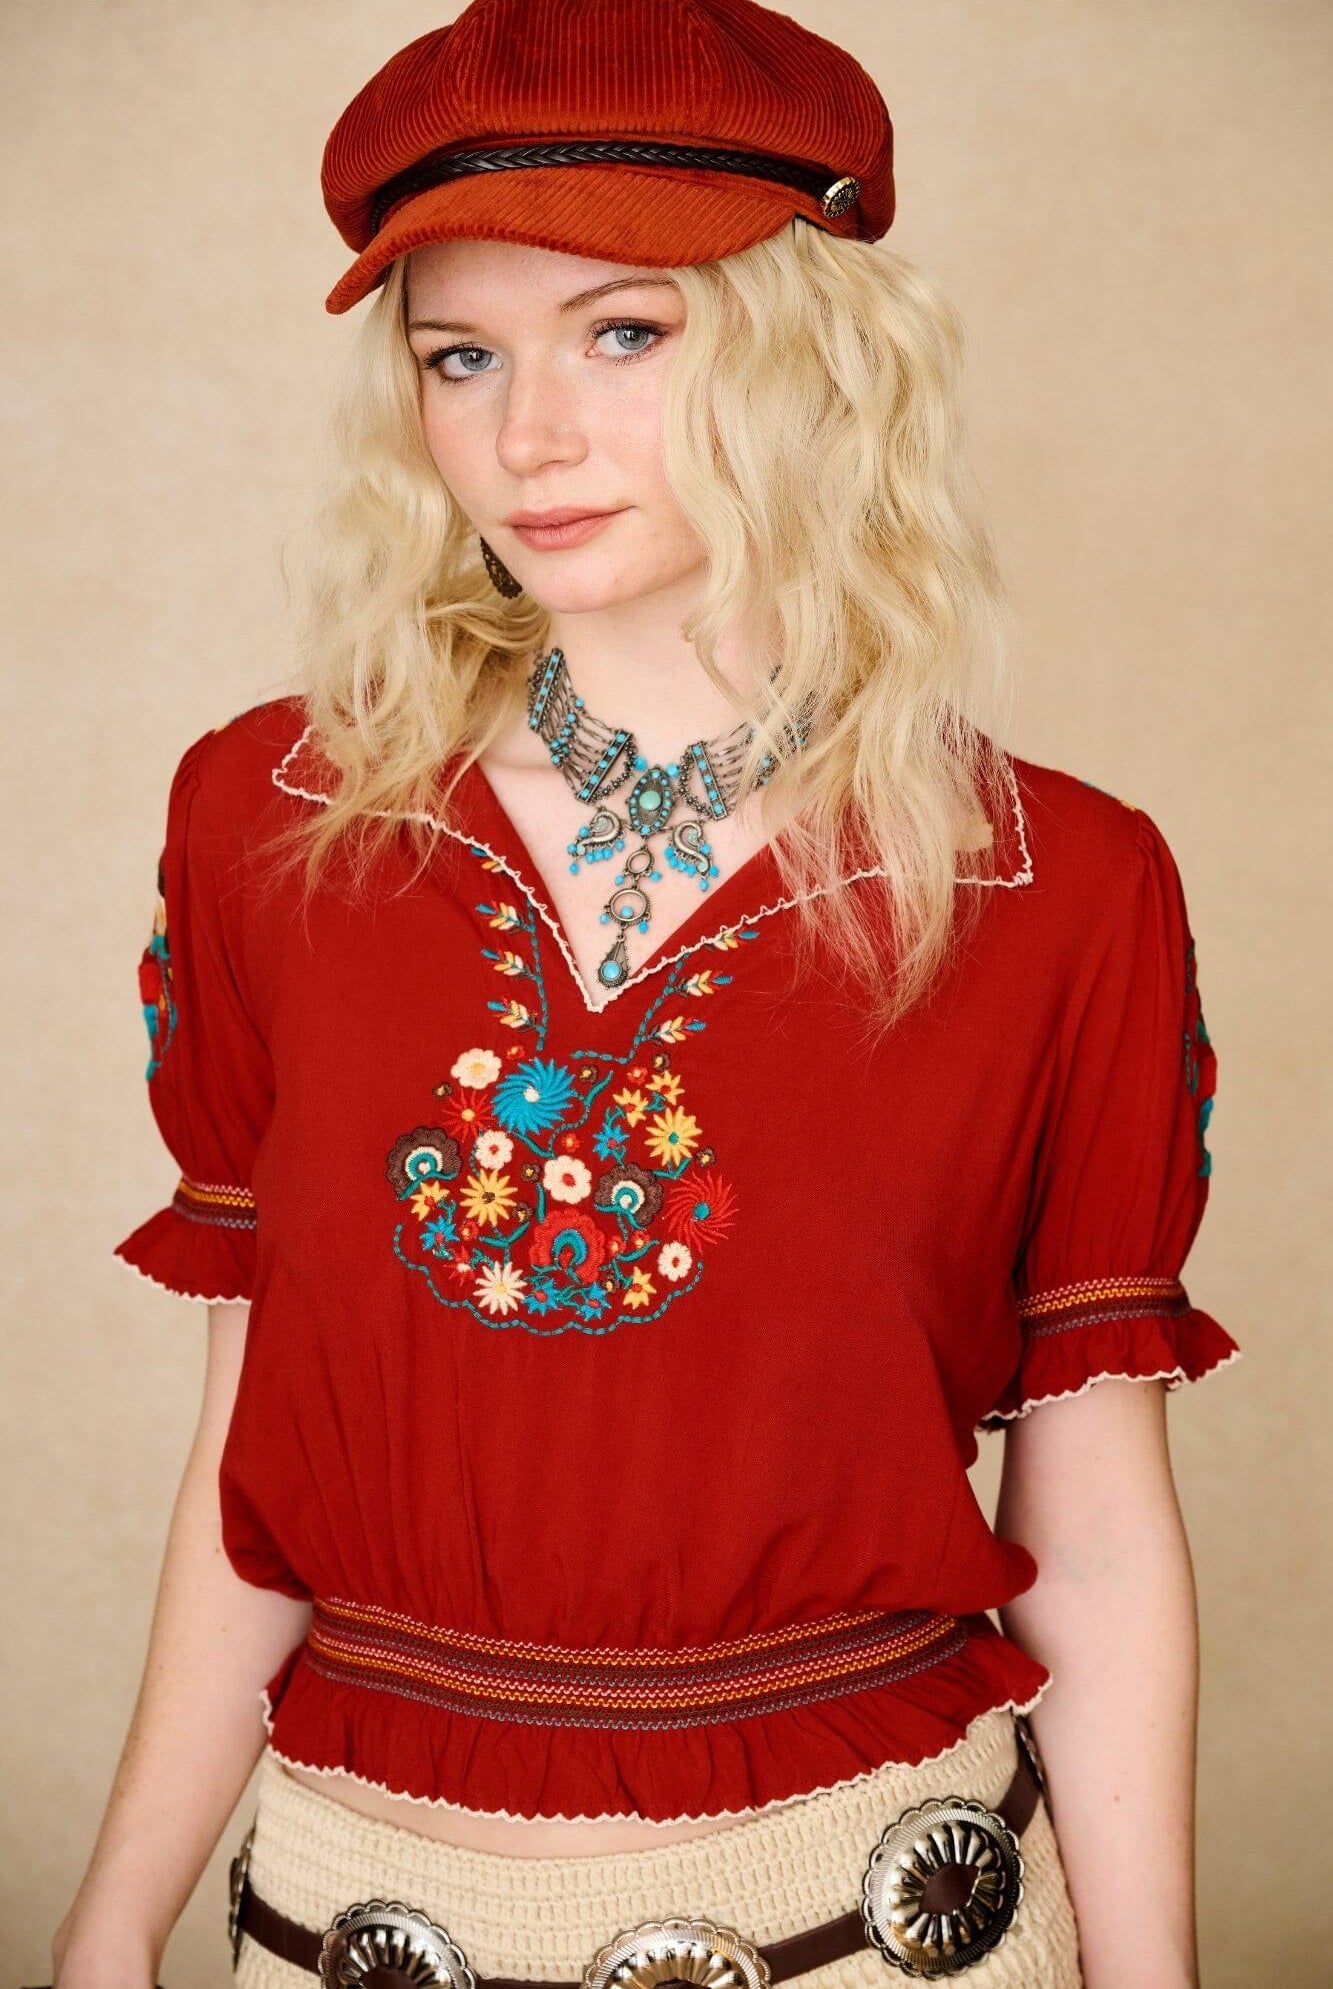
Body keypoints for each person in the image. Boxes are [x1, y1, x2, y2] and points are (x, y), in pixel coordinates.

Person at [51, 1, 1243, 1984]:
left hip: (886, 1928)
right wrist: (109, 1921)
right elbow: (250, 1458)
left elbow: (1099, 1538)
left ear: (811, 354)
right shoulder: (273, 821)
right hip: (348, 1924)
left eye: (623, 332)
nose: (525, 434)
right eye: (459, 354)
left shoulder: (1058, 886)